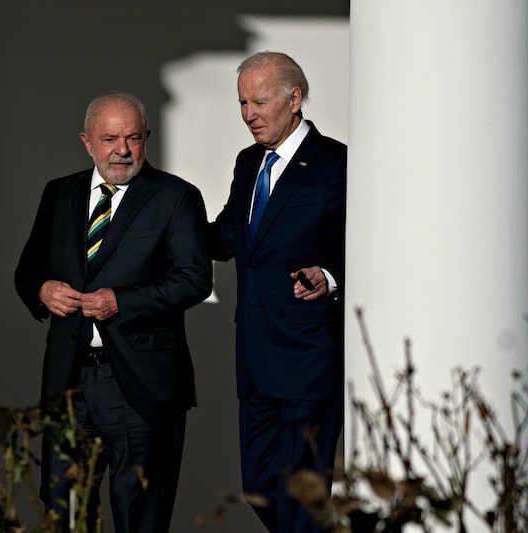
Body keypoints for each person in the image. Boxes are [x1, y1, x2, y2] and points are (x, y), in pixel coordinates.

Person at [14, 92, 212, 533]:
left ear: (146, 138)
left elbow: (194, 279)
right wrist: (43, 290)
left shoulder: (176, 197)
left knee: (139, 519)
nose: (122, 150)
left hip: (140, 387)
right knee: (64, 514)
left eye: (133, 138)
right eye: (109, 139)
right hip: (69, 383)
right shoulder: (59, 193)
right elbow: (28, 271)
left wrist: (122, 301)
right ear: (87, 142)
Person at [209, 51, 347, 532]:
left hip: (308, 357)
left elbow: (366, 244)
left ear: (294, 98)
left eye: (259, 101)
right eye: (242, 102)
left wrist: (329, 277)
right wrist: (167, 222)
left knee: (304, 497)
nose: (249, 114)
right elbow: (230, 236)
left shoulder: (336, 162)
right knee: (261, 486)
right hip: (255, 358)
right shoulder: (249, 162)